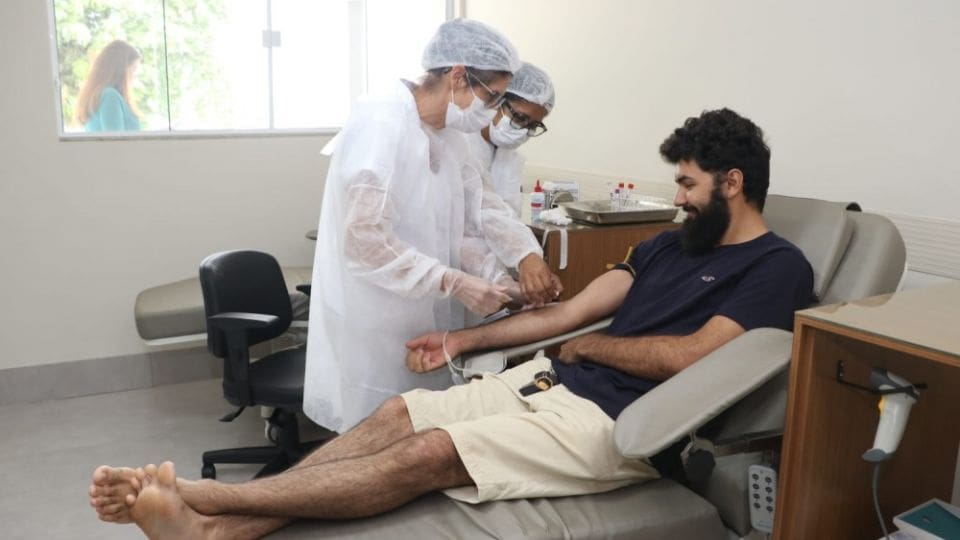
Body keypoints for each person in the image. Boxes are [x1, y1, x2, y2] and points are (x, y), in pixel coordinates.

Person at [88, 108, 815, 539]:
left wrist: (593, 346)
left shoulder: (777, 269)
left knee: (430, 451)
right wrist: (459, 339)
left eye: (687, 185)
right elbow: (564, 314)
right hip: (548, 381)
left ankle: (202, 499)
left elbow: (698, 358)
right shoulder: (661, 246)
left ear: (732, 183)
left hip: (620, 425)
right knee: (398, 413)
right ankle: (218, 529)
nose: (678, 198)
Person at [304, 19, 563, 433]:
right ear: (458, 76)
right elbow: (364, 241)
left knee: (420, 428)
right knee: (375, 435)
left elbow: (473, 217)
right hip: (376, 315)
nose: (494, 112)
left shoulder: (449, 135)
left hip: (424, 314)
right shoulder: (382, 123)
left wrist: (509, 274)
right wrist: (455, 283)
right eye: (493, 96)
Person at [464, 61, 561, 315]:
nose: (523, 132)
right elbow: (473, 224)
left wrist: (526, 279)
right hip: (454, 282)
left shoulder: (507, 158)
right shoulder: (461, 145)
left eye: (532, 126)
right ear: (495, 99)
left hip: (485, 288)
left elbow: (503, 221)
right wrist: (525, 257)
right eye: (519, 117)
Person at [75, 40, 142, 132]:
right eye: (133, 69)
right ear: (120, 70)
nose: (135, 75)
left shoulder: (102, 95)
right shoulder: (109, 96)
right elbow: (115, 143)